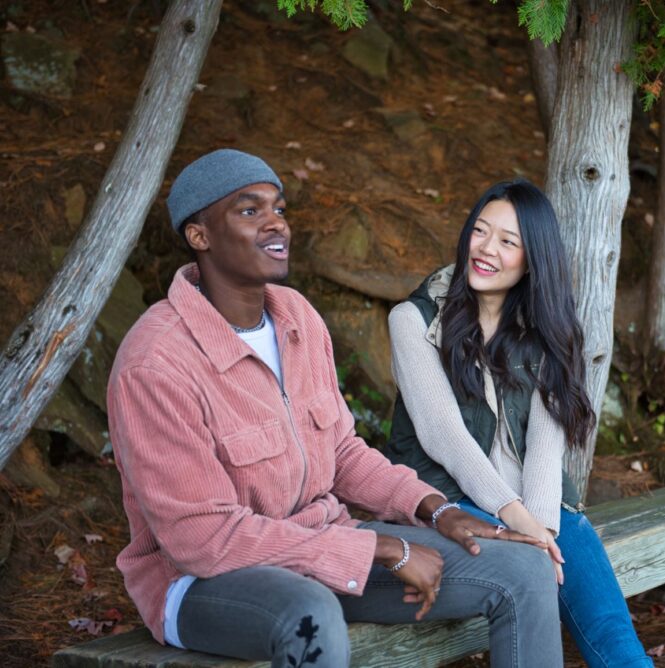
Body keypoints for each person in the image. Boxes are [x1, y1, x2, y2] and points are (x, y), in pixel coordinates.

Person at [107, 150, 563, 668]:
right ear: (200, 236)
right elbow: (202, 539)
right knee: (310, 612)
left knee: (524, 571)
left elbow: (342, 451)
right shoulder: (156, 363)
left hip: (327, 546)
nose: (275, 223)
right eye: (249, 211)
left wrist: (437, 509)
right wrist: (381, 550)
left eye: (279, 208)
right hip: (201, 584)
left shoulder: (296, 317)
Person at [385, 179, 653, 667]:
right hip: (452, 502)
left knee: (614, 635)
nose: (486, 249)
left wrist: (544, 527)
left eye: (508, 241)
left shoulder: (543, 328)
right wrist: (520, 522)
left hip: (536, 507)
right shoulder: (414, 319)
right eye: (480, 232)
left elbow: (547, 446)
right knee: (533, 576)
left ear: (532, 260)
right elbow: (444, 436)